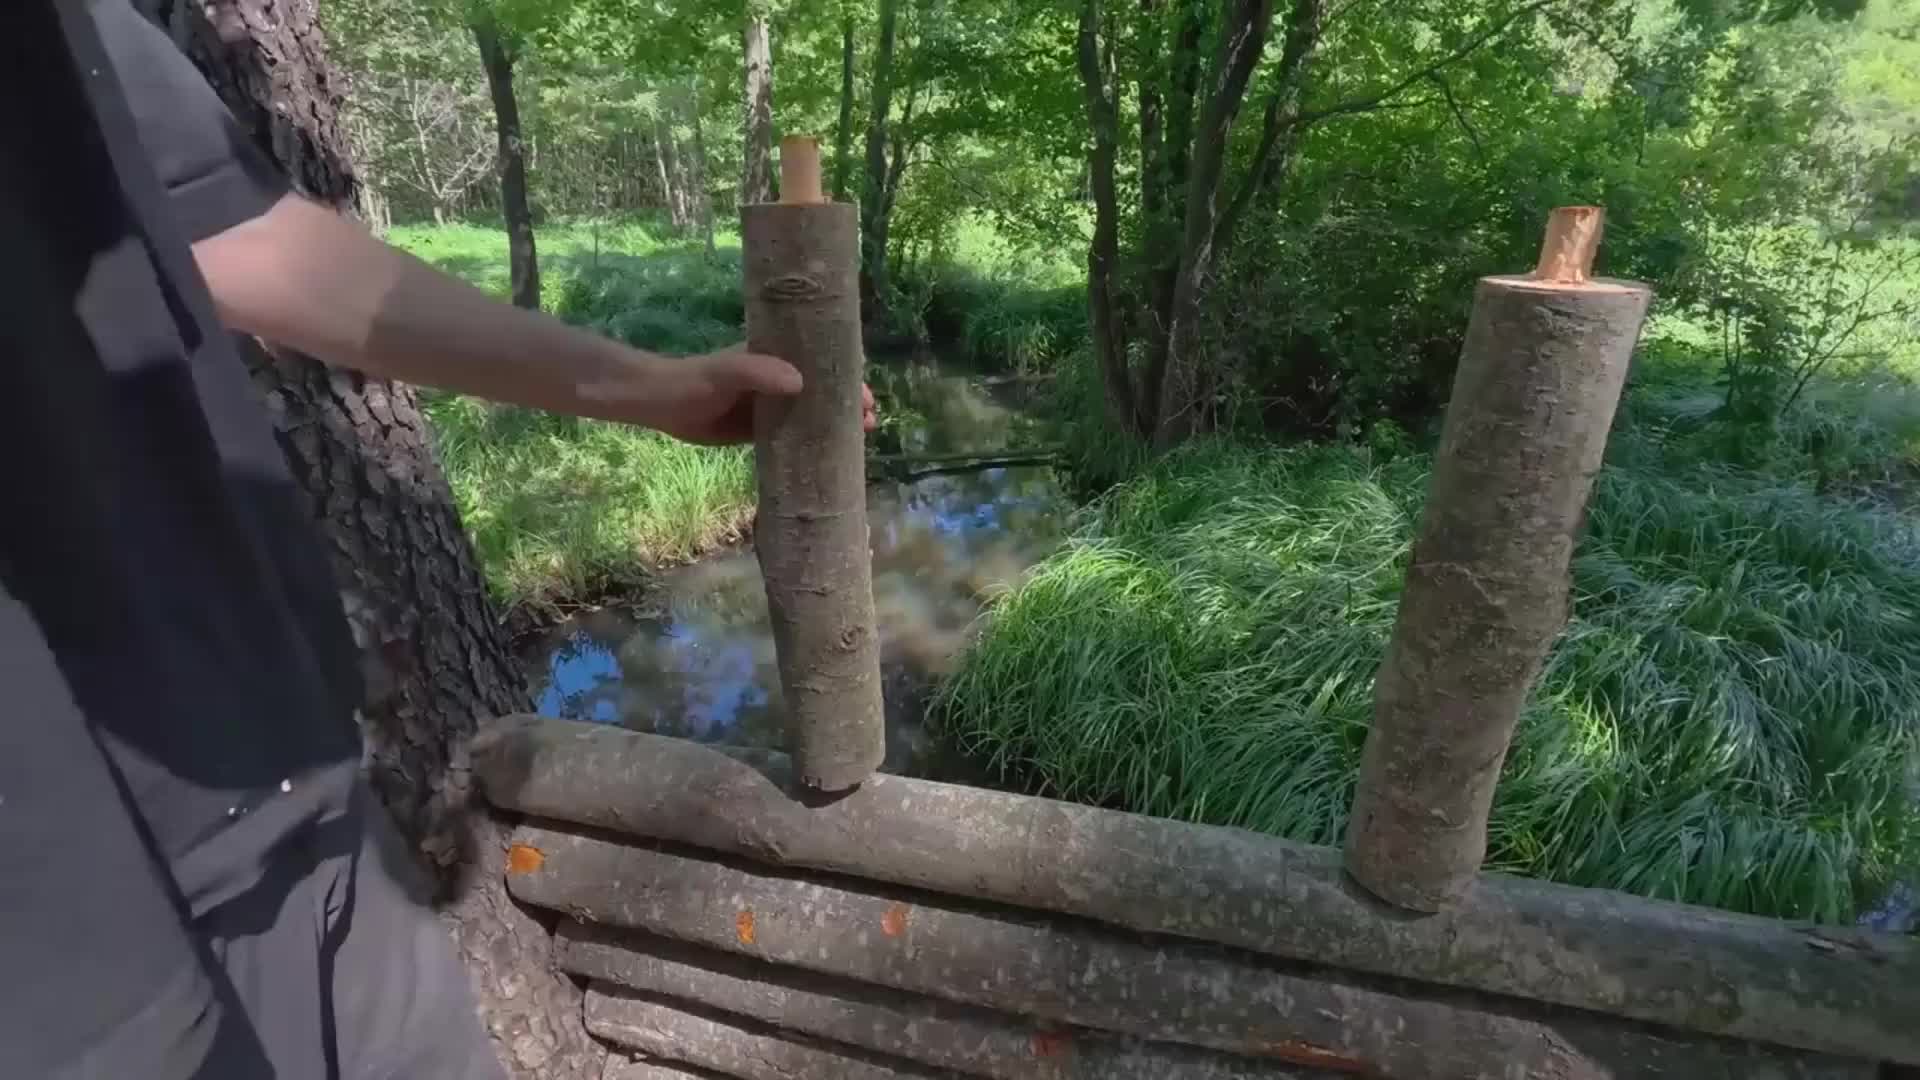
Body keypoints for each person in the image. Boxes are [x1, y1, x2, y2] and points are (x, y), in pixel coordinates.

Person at [1, 3, 870, 1076]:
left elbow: (242, 235)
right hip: (55, 949)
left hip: (294, 788)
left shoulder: (66, 28)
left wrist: (654, 389)